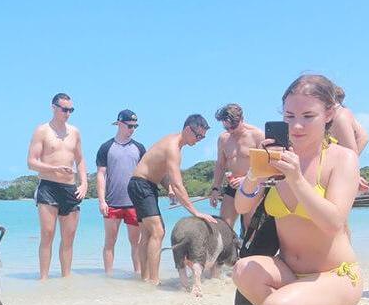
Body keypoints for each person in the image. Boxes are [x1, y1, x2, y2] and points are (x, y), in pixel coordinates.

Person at [232, 75, 361, 305]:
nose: (297, 126)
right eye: (289, 116)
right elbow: (242, 207)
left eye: (308, 116)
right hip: (290, 271)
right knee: (244, 270)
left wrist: (297, 180)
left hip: (335, 276)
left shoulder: (342, 159)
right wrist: (254, 176)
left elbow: (333, 223)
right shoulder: (278, 158)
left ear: (328, 114)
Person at [128, 114, 217, 285]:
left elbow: (157, 169)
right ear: (187, 129)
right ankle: (154, 281)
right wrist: (196, 212)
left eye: (203, 137)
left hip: (143, 185)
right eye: (197, 135)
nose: (199, 140)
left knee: (147, 233)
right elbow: (178, 185)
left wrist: (167, 186)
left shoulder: (174, 142)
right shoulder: (173, 147)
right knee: (158, 232)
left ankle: (144, 279)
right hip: (141, 185)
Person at [27, 93, 88, 279]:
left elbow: (80, 160)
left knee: (68, 238)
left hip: (70, 188)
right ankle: (43, 279)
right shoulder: (42, 131)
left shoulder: (75, 132)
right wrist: (53, 168)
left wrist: (84, 183)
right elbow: (31, 162)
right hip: (48, 187)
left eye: (71, 110)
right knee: (48, 233)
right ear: (54, 107)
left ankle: (66, 279)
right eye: (64, 109)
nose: (67, 113)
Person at [96, 109, 146, 275]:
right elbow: (101, 175)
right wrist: (102, 201)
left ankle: (138, 274)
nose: (132, 129)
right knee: (110, 242)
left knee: (136, 243)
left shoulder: (139, 148)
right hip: (112, 203)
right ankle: (108, 277)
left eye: (135, 126)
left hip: (134, 203)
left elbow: (146, 174)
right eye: (129, 126)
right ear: (119, 124)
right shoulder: (106, 147)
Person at [210, 104, 264, 234]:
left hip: (252, 187)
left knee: (250, 229)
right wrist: (215, 188)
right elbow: (220, 165)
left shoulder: (257, 135)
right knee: (224, 228)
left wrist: (246, 179)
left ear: (242, 119)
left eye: (233, 127)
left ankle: (248, 254)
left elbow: (263, 166)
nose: (230, 131)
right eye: (226, 127)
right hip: (232, 187)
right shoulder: (223, 138)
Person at [328, 88, 369, 192]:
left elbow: (361, 139)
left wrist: (347, 166)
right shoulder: (343, 112)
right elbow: (364, 137)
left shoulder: (340, 114)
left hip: (333, 170)